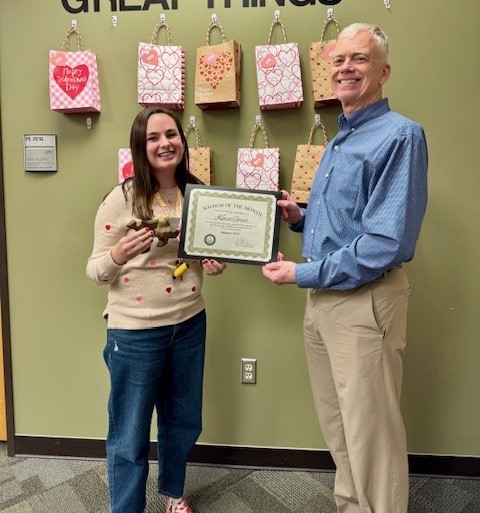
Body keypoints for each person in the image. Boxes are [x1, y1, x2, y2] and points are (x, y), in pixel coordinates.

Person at [262, 23, 428, 513]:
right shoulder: (340, 137)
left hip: (364, 300)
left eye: (359, 58)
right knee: (339, 427)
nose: (345, 68)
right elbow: (349, 223)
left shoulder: (400, 136)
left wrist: (301, 274)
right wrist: (301, 218)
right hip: (324, 302)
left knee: (371, 433)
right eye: (337, 60)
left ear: (383, 71)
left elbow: (383, 243)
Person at [86, 107, 226, 513]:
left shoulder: (199, 193)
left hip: (189, 323)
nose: (165, 143)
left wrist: (213, 263)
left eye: (172, 134)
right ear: (140, 146)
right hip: (134, 332)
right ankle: (126, 508)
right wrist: (116, 254)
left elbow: (201, 254)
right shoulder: (120, 199)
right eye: (153, 137)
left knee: (183, 421)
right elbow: (95, 270)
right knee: (129, 432)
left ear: (182, 141)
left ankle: (173, 492)